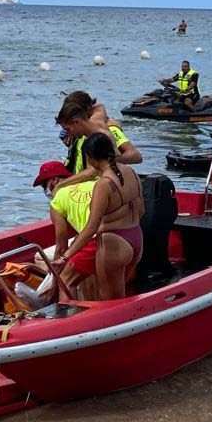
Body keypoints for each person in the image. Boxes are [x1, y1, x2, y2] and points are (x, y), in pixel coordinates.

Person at [58, 134, 144, 300]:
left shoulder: (104, 184)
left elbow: (91, 228)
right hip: (136, 238)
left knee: (109, 301)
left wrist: (65, 257)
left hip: (114, 243)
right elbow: (141, 211)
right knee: (119, 298)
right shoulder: (131, 173)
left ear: (90, 158)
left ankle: (78, 324)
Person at [23, 161, 102, 305]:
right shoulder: (96, 183)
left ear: (54, 180)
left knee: (65, 281)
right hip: (123, 235)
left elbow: (61, 246)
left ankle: (70, 319)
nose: (45, 190)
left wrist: (55, 277)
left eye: (44, 185)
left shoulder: (57, 201)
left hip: (96, 239)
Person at [60, 90, 142, 170]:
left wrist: (103, 162)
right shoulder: (78, 130)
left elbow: (135, 155)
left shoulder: (110, 128)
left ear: (87, 109)